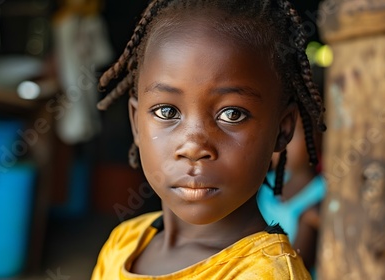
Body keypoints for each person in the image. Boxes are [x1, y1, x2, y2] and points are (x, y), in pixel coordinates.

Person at [91, 0, 326, 279]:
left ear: (282, 129)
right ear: (136, 123)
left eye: (232, 114)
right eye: (167, 111)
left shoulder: (266, 274)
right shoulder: (124, 242)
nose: (193, 147)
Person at [258, 112, 326, 277]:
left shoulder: (323, 192)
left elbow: (298, 267)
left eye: (291, 135)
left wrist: (308, 222)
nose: (281, 143)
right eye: (276, 133)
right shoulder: (265, 184)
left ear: (316, 137)